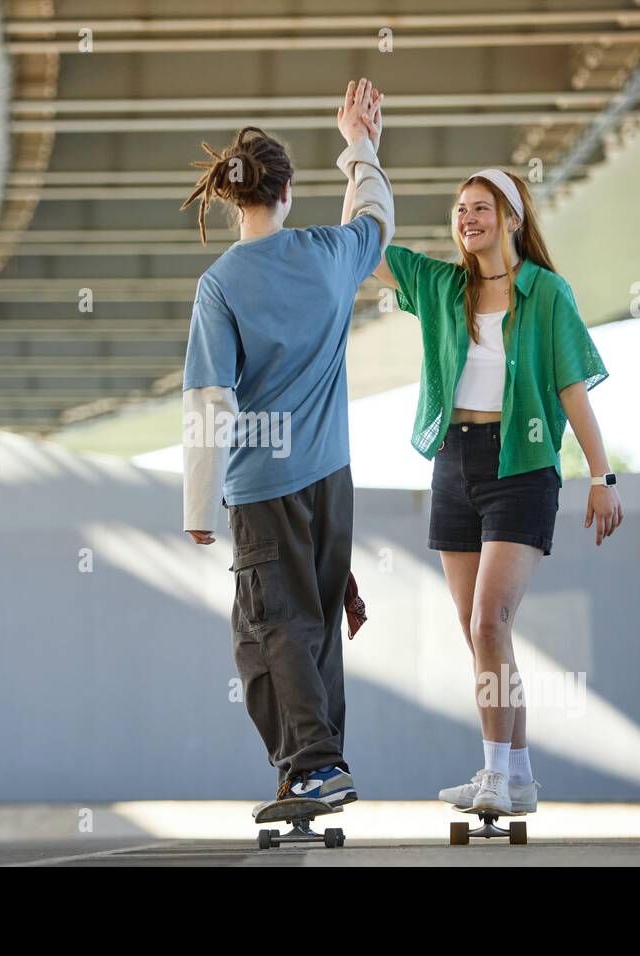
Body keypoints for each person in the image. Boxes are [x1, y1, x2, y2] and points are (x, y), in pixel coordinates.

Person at [369, 160, 623, 815]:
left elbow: (571, 387)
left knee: (490, 621)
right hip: (453, 464)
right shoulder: (439, 285)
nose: (467, 219)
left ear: (511, 218)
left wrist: (601, 476)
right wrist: (361, 153)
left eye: (481, 207)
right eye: (460, 209)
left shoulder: (546, 293)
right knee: (479, 630)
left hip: (523, 464)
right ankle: (519, 777)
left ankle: (496, 777)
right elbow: (362, 244)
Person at [180, 80, 392, 805]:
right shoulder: (331, 256)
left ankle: (315, 764)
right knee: (316, 624)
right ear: (288, 190)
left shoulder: (221, 283)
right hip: (333, 475)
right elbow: (374, 217)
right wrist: (359, 144)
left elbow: (212, 398)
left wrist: (199, 505)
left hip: (264, 482)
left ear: (233, 197)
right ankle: (313, 767)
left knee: (270, 628)